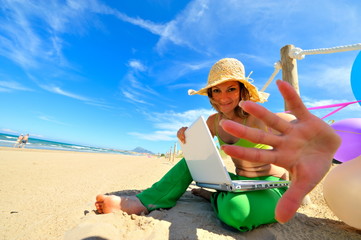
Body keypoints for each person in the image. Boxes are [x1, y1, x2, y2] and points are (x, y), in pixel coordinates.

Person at [95, 58, 341, 231]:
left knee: (236, 213)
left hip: (271, 187)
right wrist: (186, 135)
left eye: (231, 89)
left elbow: (288, 122)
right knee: (193, 160)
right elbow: (197, 152)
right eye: (217, 91)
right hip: (237, 181)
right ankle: (145, 201)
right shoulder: (213, 122)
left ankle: (212, 197)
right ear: (210, 94)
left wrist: (315, 136)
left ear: (242, 90)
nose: (224, 97)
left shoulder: (259, 116)